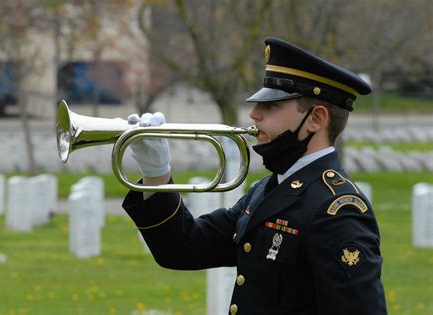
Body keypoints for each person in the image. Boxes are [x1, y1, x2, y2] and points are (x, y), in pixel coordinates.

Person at [122, 37, 387, 315]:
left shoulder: (338, 210)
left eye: (271, 106)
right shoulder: (270, 190)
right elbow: (183, 247)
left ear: (316, 119)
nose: (254, 113)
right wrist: (156, 174)